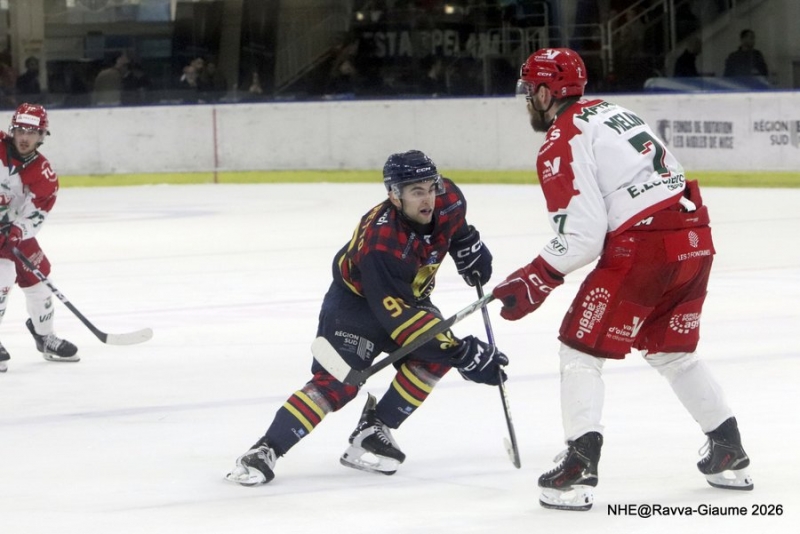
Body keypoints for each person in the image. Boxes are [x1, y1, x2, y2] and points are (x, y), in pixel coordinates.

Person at [492, 48, 753, 511]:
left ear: (546, 92)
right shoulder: (616, 112)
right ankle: (728, 450)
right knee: (673, 352)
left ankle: (578, 465)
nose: (527, 100)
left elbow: (583, 236)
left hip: (646, 249)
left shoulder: (559, 142)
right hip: (694, 238)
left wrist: (534, 278)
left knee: (579, 350)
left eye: (530, 90)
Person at [226, 149, 509, 485]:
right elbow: (403, 321)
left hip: (405, 298)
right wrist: (462, 353)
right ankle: (264, 450)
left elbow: (455, 228)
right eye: (417, 192)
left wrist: (467, 245)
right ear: (394, 194)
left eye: (430, 187)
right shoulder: (382, 242)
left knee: (434, 358)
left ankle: (373, 432)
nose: (428, 199)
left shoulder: (448, 198)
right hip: (356, 307)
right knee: (339, 384)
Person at [0, 103, 79, 373]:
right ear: (12, 129)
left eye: (32, 133)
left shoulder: (43, 172)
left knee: (39, 278)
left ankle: (44, 336)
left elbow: (38, 211)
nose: (24, 138)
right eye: (20, 130)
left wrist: (18, 230)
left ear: (42, 135)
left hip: (11, 232)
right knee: (2, 277)